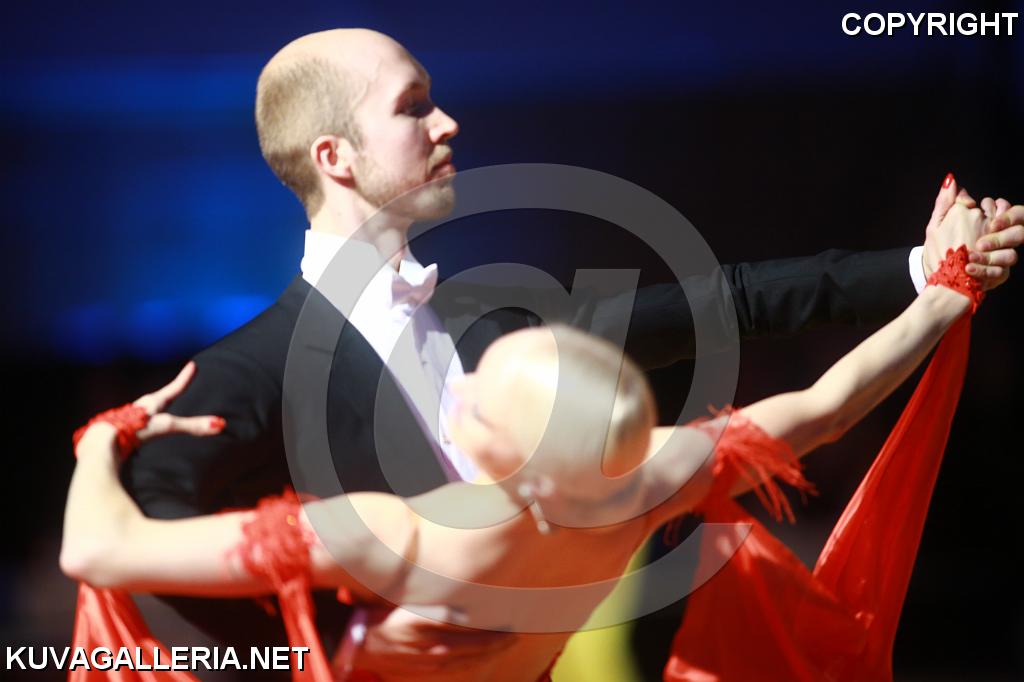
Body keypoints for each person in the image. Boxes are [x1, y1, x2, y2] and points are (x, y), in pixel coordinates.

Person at [117, 26, 1024, 669]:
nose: (447, 123)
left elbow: (726, 302)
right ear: (335, 157)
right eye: (414, 107)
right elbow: (142, 560)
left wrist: (923, 268)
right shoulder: (254, 368)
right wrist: (340, 646)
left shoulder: (509, 330)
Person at [64, 198, 1018, 680]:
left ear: (520, 466)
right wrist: (946, 290)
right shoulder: (644, 482)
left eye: (482, 398)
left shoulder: (399, 535)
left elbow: (96, 551)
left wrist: (106, 437)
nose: (464, 382)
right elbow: (828, 404)